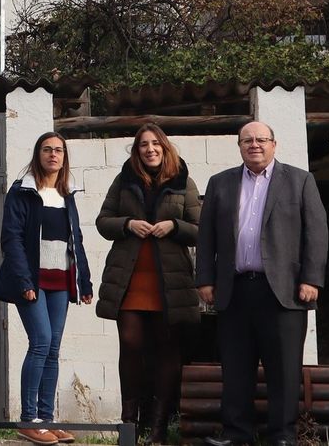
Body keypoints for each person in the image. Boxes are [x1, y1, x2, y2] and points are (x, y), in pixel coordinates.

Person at [195, 121, 328, 446]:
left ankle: (282, 435)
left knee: (283, 369)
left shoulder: (299, 180)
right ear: (240, 146)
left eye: (261, 140)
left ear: (274, 144)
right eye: (247, 140)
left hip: (283, 291)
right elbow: (206, 236)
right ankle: (236, 434)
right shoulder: (220, 183)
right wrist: (205, 279)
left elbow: (317, 232)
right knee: (236, 365)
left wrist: (312, 278)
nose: (254, 145)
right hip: (234, 289)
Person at [94, 123, 202, 444]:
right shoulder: (123, 180)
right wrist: (127, 223)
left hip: (170, 282)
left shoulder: (184, 181)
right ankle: (129, 426)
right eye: (144, 144)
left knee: (167, 349)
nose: (150, 149)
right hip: (129, 278)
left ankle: (156, 428)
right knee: (130, 344)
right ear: (137, 150)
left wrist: (174, 225)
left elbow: (200, 228)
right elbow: (103, 221)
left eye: (156, 143)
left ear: (165, 147)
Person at [0, 132, 95, 445]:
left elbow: (75, 240)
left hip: (61, 282)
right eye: (47, 149)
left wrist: (85, 280)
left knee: (53, 348)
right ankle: (28, 420)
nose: (53, 154)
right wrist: (24, 281)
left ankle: (47, 419)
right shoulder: (22, 191)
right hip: (32, 282)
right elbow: (11, 239)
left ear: (64, 157)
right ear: (38, 154)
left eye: (59, 150)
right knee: (41, 342)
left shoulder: (67, 194)